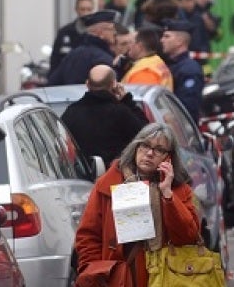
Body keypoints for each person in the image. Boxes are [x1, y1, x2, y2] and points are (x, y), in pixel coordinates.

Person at [74, 123, 201, 287]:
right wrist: (95, 271)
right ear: (135, 147)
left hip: (167, 277)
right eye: (145, 145)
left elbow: (188, 236)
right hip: (119, 279)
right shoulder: (108, 184)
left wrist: (167, 195)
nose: (149, 153)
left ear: (168, 157)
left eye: (159, 150)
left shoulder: (179, 190)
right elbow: (88, 236)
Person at [61, 65, 149, 167]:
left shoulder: (72, 112)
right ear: (113, 84)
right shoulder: (122, 113)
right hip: (116, 176)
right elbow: (146, 134)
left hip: (81, 177)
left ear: (87, 84)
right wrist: (127, 100)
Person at [47, 10, 117, 86]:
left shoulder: (74, 54)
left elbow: (52, 83)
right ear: (100, 32)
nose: (115, 32)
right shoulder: (101, 59)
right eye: (111, 29)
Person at [160, 20, 204, 121]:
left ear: (179, 41)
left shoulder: (189, 70)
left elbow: (186, 107)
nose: (162, 40)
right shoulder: (171, 64)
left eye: (167, 36)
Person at [50, 0, 96, 72]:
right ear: (76, 10)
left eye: (89, 9)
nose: (86, 13)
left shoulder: (98, 33)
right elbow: (55, 60)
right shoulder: (64, 32)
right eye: (82, 9)